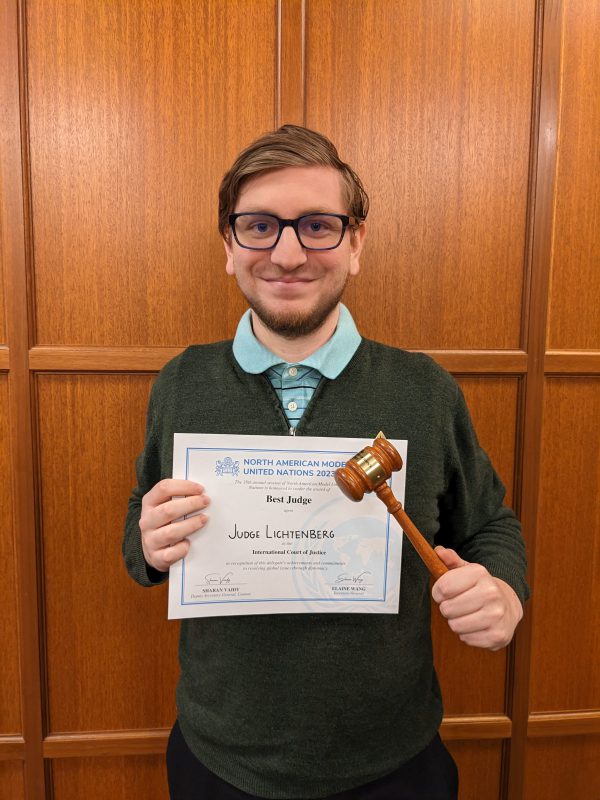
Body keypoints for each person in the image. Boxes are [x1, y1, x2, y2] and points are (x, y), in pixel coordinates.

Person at [123, 125, 528, 800]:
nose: (287, 254)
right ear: (229, 246)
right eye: (258, 226)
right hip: (218, 763)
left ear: (356, 243)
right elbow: (143, 511)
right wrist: (148, 543)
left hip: (393, 764)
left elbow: (489, 525)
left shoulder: (423, 390)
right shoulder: (181, 384)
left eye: (317, 226)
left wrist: (505, 592)